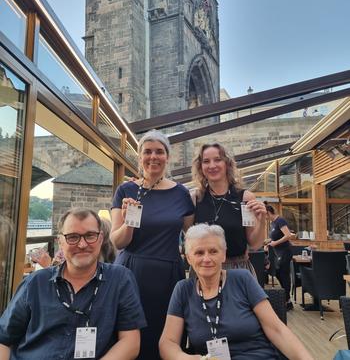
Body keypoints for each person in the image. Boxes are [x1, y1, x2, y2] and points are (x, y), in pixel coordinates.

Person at [0, 208, 146, 360]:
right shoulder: (35, 283)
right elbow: (3, 339)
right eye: (73, 237)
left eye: (90, 236)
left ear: (101, 238)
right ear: (60, 242)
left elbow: (131, 342)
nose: (82, 244)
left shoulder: (120, 279)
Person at [159, 223, 313, 360]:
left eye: (213, 251)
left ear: (223, 255)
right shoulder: (183, 290)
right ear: (188, 258)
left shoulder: (242, 279)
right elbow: (168, 343)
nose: (207, 259)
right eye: (199, 253)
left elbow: (277, 329)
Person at [110, 129, 194, 359]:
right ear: (140, 157)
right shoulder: (125, 190)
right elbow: (118, 241)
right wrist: (129, 220)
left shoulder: (181, 193)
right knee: (128, 332)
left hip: (168, 274)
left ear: (167, 157)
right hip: (130, 271)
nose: (153, 157)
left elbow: (194, 236)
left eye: (159, 151)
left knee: (164, 334)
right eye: (147, 152)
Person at [192, 143, 266, 272]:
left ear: (227, 163)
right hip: (204, 270)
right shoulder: (195, 198)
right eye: (206, 161)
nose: (212, 165)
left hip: (237, 269)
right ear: (200, 167)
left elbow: (255, 244)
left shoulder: (245, 198)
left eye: (218, 160)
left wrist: (262, 220)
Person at [265, 202, 294, 310]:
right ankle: (285, 298)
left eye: (265, 216)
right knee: (277, 273)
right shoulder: (273, 223)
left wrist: (275, 243)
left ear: (268, 213)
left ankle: (287, 301)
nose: (265, 218)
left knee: (284, 275)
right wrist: (268, 243)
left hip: (285, 251)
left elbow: (288, 236)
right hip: (278, 253)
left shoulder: (280, 220)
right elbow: (275, 237)